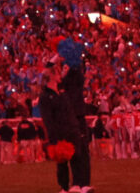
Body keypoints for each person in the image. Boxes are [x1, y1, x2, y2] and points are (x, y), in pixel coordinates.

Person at [37, 62, 83, 193]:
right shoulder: (45, 96)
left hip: (71, 130)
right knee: (61, 161)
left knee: (76, 158)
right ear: (51, 75)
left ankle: (76, 185)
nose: (60, 75)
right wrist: (53, 137)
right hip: (59, 132)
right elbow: (48, 119)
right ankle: (64, 187)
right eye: (57, 72)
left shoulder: (62, 93)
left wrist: (75, 127)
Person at [57, 40, 92, 193]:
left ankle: (82, 182)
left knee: (81, 150)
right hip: (71, 114)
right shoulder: (70, 70)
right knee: (74, 149)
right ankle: (78, 182)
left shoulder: (75, 70)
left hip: (75, 114)